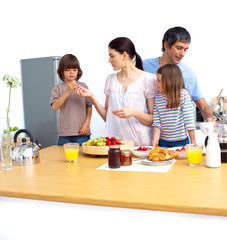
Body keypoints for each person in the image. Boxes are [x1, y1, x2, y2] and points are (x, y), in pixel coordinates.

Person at [75, 37, 157, 146]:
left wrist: (134, 113)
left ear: (124, 55)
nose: (109, 60)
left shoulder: (148, 79)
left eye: (112, 56)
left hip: (141, 146)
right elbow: (108, 118)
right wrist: (91, 96)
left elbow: (154, 120)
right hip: (115, 145)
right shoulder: (110, 80)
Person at [143, 26, 214, 123]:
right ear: (166, 45)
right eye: (179, 48)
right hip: (149, 130)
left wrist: (210, 119)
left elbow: (202, 106)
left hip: (176, 134)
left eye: (185, 49)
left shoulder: (188, 73)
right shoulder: (144, 66)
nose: (182, 53)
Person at [50, 54, 92, 146]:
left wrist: (87, 123)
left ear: (78, 71)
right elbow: (54, 107)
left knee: (85, 159)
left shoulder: (83, 86)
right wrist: (67, 91)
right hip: (64, 135)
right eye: (67, 70)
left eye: (74, 70)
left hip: (83, 133)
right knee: (64, 159)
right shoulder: (57, 88)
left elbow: (89, 106)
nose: (71, 72)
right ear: (62, 71)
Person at [152, 64, 196, 147]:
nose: (156, 83)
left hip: (181, 142)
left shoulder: (183, 95)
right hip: (163, 142)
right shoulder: (158, 98)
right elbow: (157, 122)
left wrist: (193, 141)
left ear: (169, 81)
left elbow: (189, 120)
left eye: (159, 80)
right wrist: (155, 139)